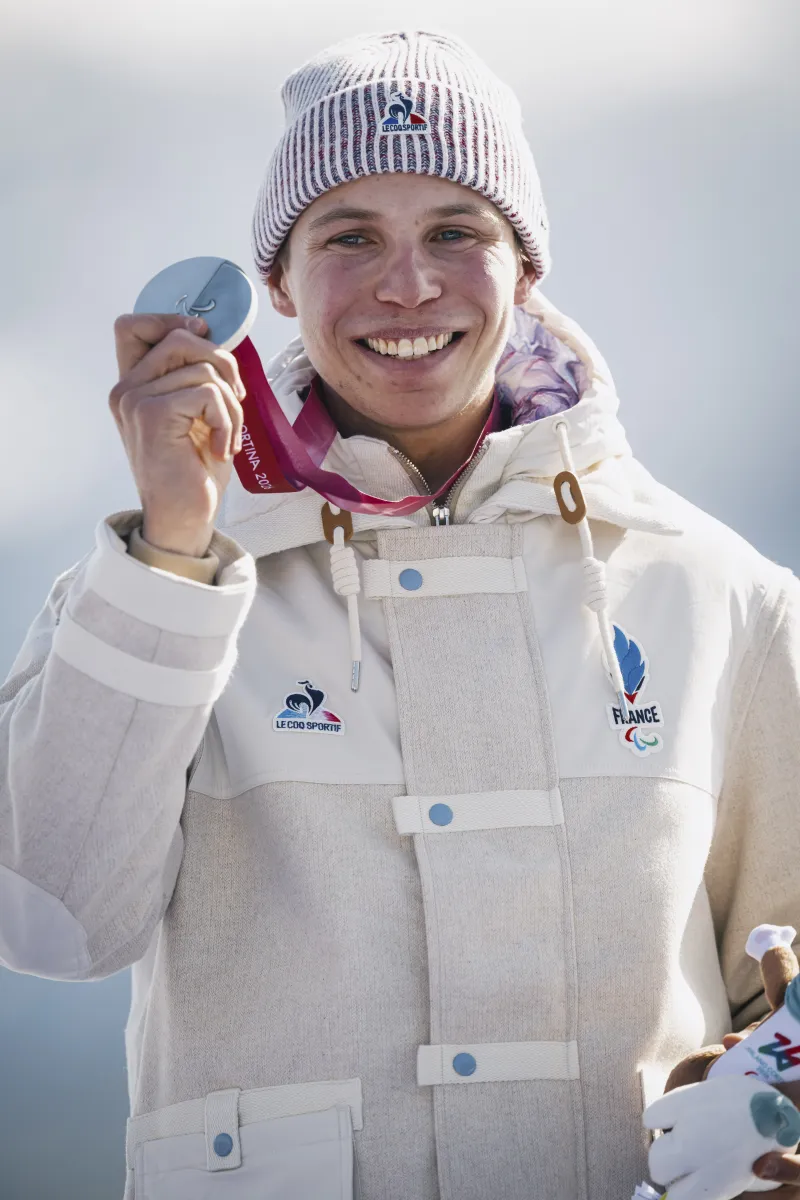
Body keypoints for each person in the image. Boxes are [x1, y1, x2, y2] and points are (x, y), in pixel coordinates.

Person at [1, 28, 799, 1200]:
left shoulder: (719, 594)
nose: (408, 284)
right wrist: (173, 540)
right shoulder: (160, 590)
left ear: (525, 269)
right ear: (272, 284)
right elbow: (47, 921)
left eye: (455, 233)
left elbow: (783, 987)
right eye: (350, 236)